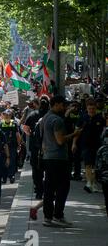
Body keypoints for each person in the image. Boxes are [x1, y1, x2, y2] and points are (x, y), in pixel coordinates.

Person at [40, 95, 81, 227]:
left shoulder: (45, 117)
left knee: (49, 188)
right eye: (64, 105)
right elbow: (60, 140)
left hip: (48, 157)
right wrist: (75, 134)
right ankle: (57, 215)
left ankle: (48, 217)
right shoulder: (57, 120)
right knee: (62, 187)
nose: (65, 107)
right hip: (58, 159)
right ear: (56, 104)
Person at [76, 101, 106, 193]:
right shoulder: (83, 118)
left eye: (93, 109)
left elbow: (104, 131)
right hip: (85, 144)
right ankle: (89, 183)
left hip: (97, 145)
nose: (91, 110)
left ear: (95, 109)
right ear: (87, 108)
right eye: (90, 108)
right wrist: (74, 143)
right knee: (88, 164)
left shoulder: (100, 118)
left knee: (95, 165)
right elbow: (77, 131)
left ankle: (93, 183)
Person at [24, 96, 50, 200]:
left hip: (36, 148)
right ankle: (46, 191)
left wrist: (31, 135)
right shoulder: (51, 115)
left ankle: (39, 191)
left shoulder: (33, 114)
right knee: (48, 171)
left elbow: (25, 129)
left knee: (37, 171)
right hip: (49, 148)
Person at [0, 109, 22, 184]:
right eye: (5, 115)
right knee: (3, 161)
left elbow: (17, 135)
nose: (6, 116)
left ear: (10, 116)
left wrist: (19, 145)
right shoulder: (0, 124)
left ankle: (11, 175)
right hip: (3, 147)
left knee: (11, 161)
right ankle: (4, 176)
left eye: (8, 115)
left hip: (12, 145)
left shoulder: (14, 124)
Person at [64, 101, 83, 181]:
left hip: (78, 138)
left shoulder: (81, 114)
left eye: (76, 106)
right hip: (69, 137)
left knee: (77, 157)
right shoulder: (67, 113)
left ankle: (77, 174)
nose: (75, 108)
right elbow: (64, 119)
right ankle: (68, 174)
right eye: (73, 106)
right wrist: (69, 110)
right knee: (69, 157)